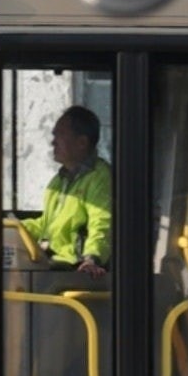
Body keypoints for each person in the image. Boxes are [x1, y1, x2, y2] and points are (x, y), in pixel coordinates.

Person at [17, 105, 111, 278]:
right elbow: (46, 225)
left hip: (74, 268)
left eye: (59, 135)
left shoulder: (101, 178)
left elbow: (102, 224)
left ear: (82, 142)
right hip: (52, 262)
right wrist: (11, 228)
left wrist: (92, 259)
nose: (53, 142)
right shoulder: (59, 181)